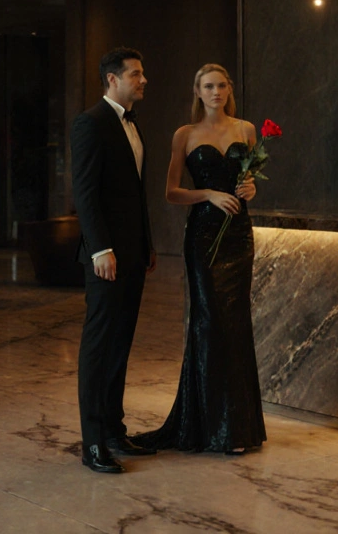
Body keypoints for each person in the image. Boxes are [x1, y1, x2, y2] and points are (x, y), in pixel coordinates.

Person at [135, 63, 267, 455]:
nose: (216, 92)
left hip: (238, 235)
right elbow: (171, 192)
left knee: (236, 323)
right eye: (208, 86)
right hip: (205, 237)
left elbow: (248, 181)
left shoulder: (246, 130)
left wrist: (250, 189)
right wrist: (209, 194)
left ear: (229, 89)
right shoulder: (185, 135)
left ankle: (238, 430)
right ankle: (212, 427)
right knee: (210, 323)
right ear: (197, 91)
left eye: (221, 85)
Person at [70, 47, 158, 474]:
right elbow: (85, 193)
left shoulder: (134, 124)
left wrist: (146, 244)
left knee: (120, 345)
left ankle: (113, 431)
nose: (143, 80)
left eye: (142, 73)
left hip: (133, 255)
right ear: (112, 79)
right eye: (135, 74)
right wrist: (100, 249)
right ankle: (92, 443)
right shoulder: (90, 123)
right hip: (105, 257)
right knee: (99, 347)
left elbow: (135, 194)